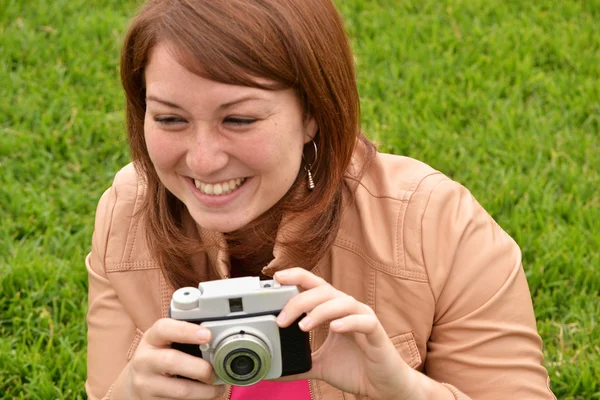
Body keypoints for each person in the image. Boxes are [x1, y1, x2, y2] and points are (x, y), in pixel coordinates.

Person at [85, 0, 557, 399]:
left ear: (313, 113)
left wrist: (402, 389)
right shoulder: (127, 212)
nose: (203, 161)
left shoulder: (438, 226)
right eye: (170, 120)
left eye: (240, 120)